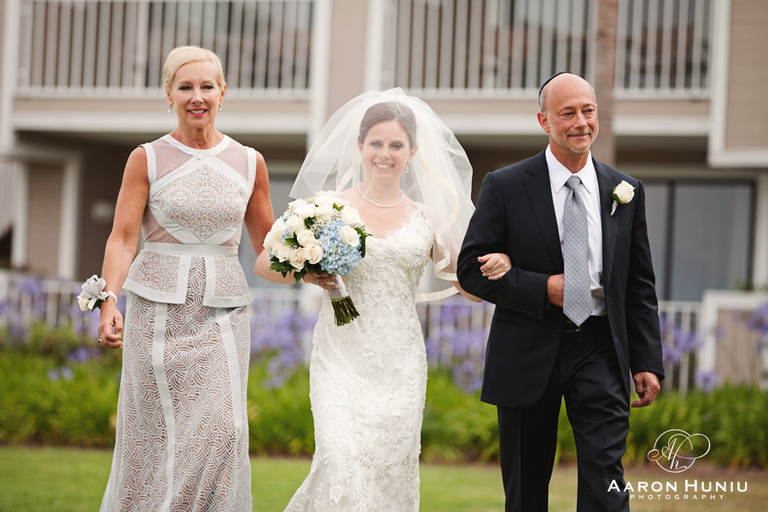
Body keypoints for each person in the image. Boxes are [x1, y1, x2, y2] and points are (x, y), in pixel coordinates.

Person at [255, 88, 509, 511]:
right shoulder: (326, 209)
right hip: (341, 356)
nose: (385, 153)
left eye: (396, 145)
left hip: (400, 362)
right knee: (338, 460)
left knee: (389, 472)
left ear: (412, 152)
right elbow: (266, 264)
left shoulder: (426, 218)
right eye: (376, 143)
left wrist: (497, 265)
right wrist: (310, 269)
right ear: (360, 147)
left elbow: (469, 287)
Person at [457, 72, 665, 511]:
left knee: (606, 483)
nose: (580, 122)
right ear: (544, 121)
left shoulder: (625, 190)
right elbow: (470, 272)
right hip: (527, 349)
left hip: (600, 348)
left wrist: (646, 360)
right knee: (526, 490)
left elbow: (638, 285)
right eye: (567, 113)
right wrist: (543, 288)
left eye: (588, 111)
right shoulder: (505, 185)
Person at [96, 46, 275, 511]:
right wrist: (109, 300)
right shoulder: (146, 158)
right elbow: (122, 239)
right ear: (170, 94)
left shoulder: (250, 161)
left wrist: (315, 262)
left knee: (223, 428)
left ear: (223, 93)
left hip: (223, 314)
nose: (197, 97)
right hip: (157, 315)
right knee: (152, 437)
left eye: (206, 87)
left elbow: (268, 246)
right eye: (186, 87)